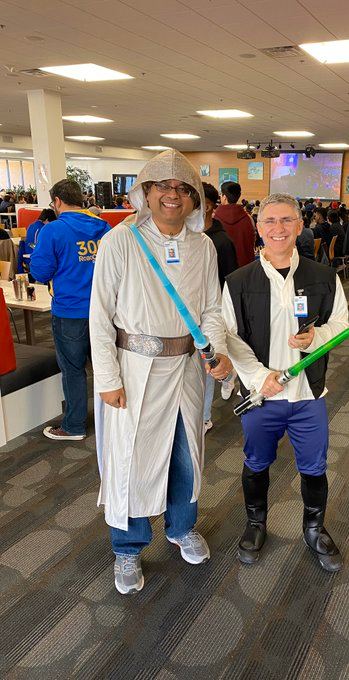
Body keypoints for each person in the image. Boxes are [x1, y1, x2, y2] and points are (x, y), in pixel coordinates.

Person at [89, 149, 232, 595]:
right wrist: (108, 379)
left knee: (186, 452)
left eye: (182, 188)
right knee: (131, 458)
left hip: (187, 368)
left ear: (194, 199)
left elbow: (211, 308)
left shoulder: (203, 246)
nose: (173, 195)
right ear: (145, 193)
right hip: (134, 370)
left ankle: (180, 525)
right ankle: (128, 548)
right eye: (163, 187)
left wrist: (215, 348)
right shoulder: (120, 241)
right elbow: (99, 315)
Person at [222, 192, 349, 572]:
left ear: (299, 225)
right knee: (256, 463)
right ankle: (256, 524)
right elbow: (230, 338)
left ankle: (314, 528)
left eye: (286, 221)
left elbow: (342, 324)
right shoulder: (238, 281)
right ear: (258, 229)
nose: (278, 229)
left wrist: (318, 338)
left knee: (314, 467)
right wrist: (262, 378)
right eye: (270, 222)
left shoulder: (323, 276)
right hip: (263, 397)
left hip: (309, 395)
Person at [30, 180, 110, 441]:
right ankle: (111, 422)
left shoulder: (53, 231)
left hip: (70, 311)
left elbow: (40, 271)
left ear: (57, 202)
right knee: (106, 367)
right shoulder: (104, 227)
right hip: (105, 311)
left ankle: (74, 426)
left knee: (74, 370)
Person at [202, 181, 238, 432]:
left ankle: (204, 417)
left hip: (213, 313)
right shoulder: (184, 238)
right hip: (188, 315)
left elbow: (230, 280)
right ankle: (229, 374)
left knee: (209, 365)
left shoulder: (221, 242)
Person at [214, 181, 256, 267]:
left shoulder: (214, 218)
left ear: (224, 197)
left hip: (221, 267)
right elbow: (253, 241)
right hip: (245, 267)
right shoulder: (248, 218)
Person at [18, 208, 57, 275]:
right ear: (47, 220)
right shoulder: (43, 229)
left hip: (28, 259)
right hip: (35, 261)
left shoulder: (31, 225)